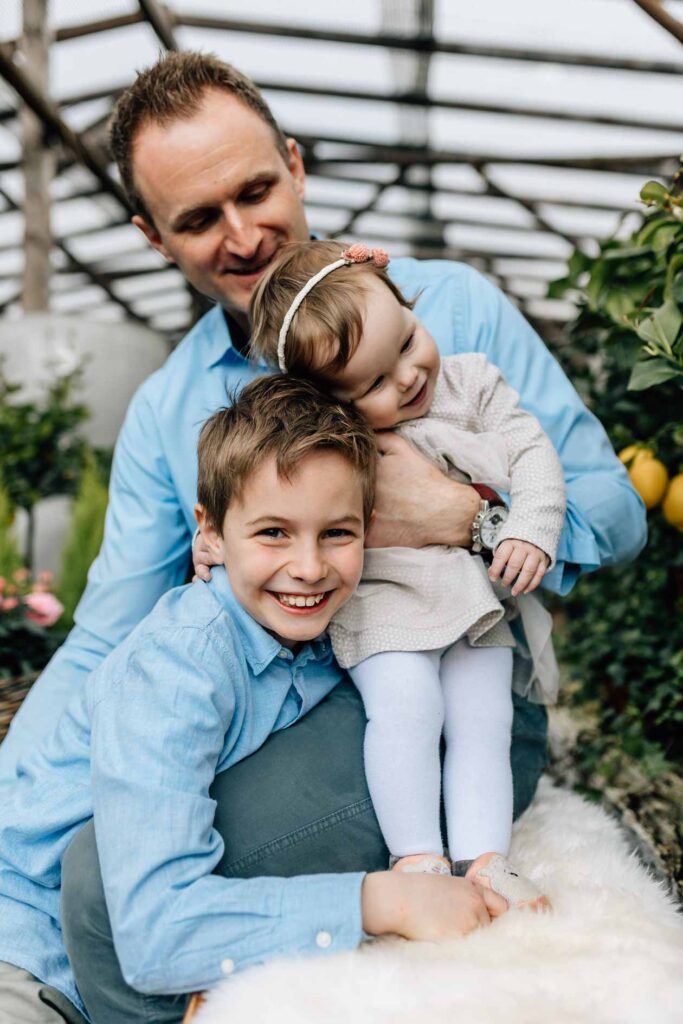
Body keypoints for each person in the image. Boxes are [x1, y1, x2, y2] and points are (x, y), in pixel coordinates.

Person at [0, 49, 644, 1014]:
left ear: (295, 164)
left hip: (447, 689)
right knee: (102, 855)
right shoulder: (168, 410)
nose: (244, 233)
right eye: (198, 219)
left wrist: (465, 519)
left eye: (256, 190)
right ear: (149, 234)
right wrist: (14, 821)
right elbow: (109, 636)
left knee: (102, 890)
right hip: (263, 716)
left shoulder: (450, 311)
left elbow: (613, 513)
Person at [0, 376, 508, 1024]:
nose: (308, 566)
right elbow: (153, 933)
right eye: (273, 532)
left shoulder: (336, 632)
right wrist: (378, 901)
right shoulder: (177, 666)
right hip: (30, 958)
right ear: (208, 536)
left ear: (369, 530)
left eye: (336, 533)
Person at [250, 239, 565, 905]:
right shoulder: (334, 442)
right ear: (329, 402)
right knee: (407, 708)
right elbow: (264, 496)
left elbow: (532, 450)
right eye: (371, 383)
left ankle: (484, 857)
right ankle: (416, 856)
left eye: (406, 340)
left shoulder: (472, 381)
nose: (406, 376)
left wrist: (529, 526)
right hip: (384, 602)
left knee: (483, 720)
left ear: (405, 304)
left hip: (473, 598)